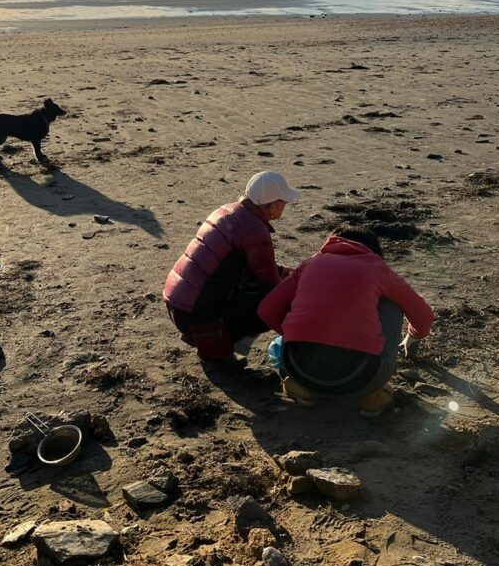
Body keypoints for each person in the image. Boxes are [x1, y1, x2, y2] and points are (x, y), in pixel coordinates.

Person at [257, 225, 434, 417]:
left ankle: (304, 389)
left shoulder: (310, 264)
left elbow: (267, 310)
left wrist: (294, 332)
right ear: (373, 250)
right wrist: (412, 336)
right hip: (358, 376)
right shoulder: (377, 269)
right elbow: (424, 315)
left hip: (298, 367)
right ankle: (372, 397)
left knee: (305, 299)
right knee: (392, 302)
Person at [163, 171, 300, 364]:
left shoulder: (229, 211)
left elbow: (252, 266)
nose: (284, 208)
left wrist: (287, 272)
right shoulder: (255, 230)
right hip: (195, 314)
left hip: (177, 303)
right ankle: (216, 351)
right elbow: (269, 285)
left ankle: (199, 337)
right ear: (273, 205)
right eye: (284, 203)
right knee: (273, 301)